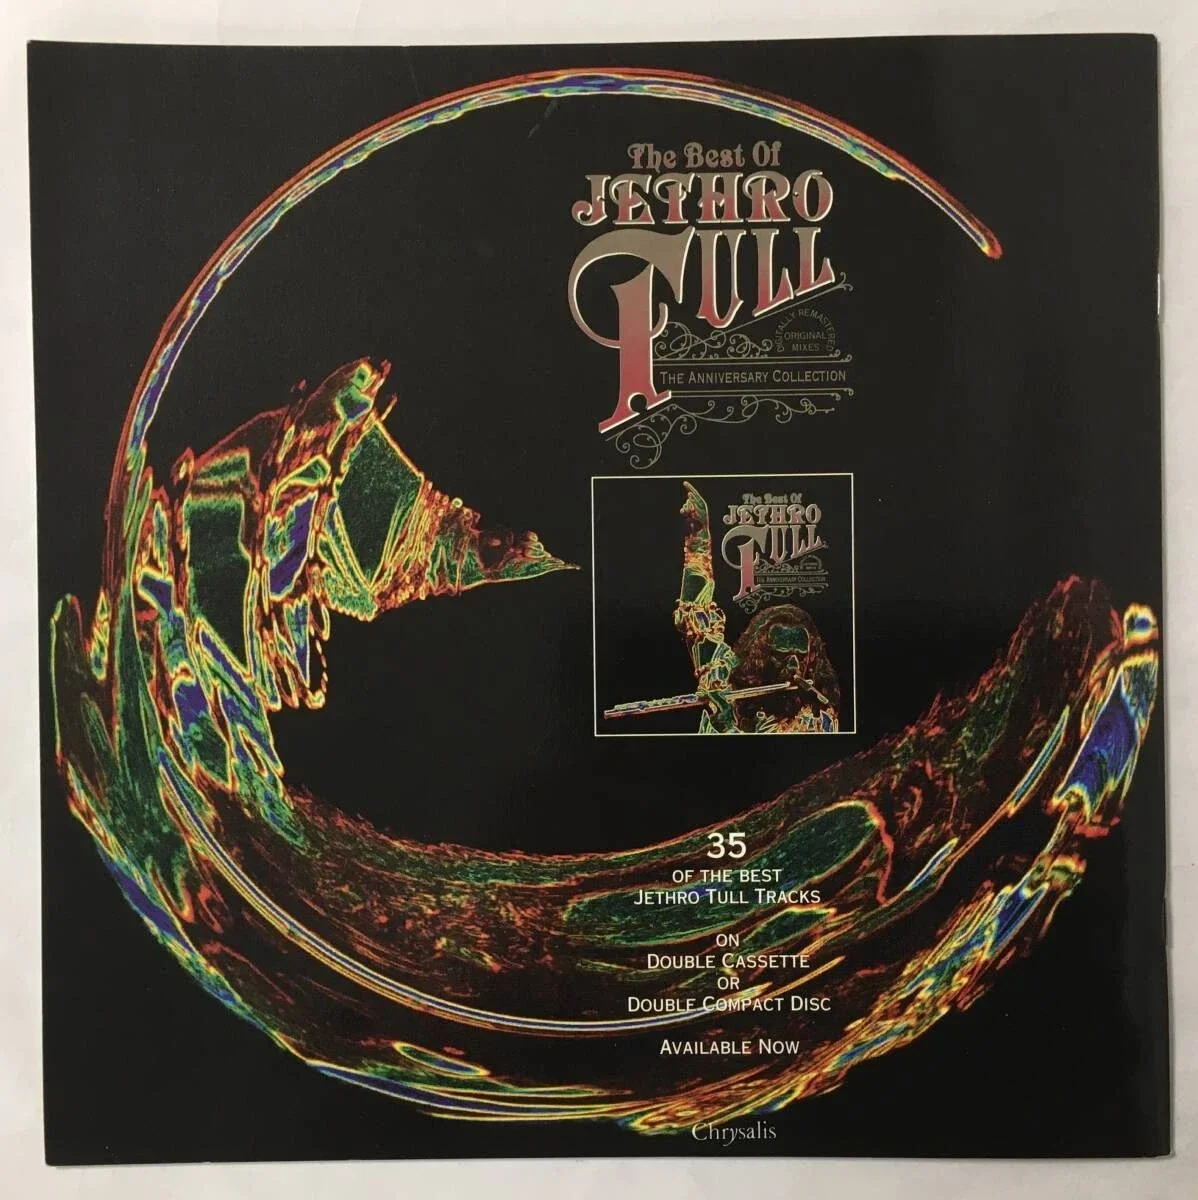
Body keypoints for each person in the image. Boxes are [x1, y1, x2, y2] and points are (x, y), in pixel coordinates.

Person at [674, 482, 840, 733]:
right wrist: (698, 539)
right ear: (759, 656)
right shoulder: (724, 674)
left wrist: (727, 728)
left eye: (801, 656)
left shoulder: (818, 719)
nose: (794, 668)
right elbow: (695, 613)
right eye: (781, 656)